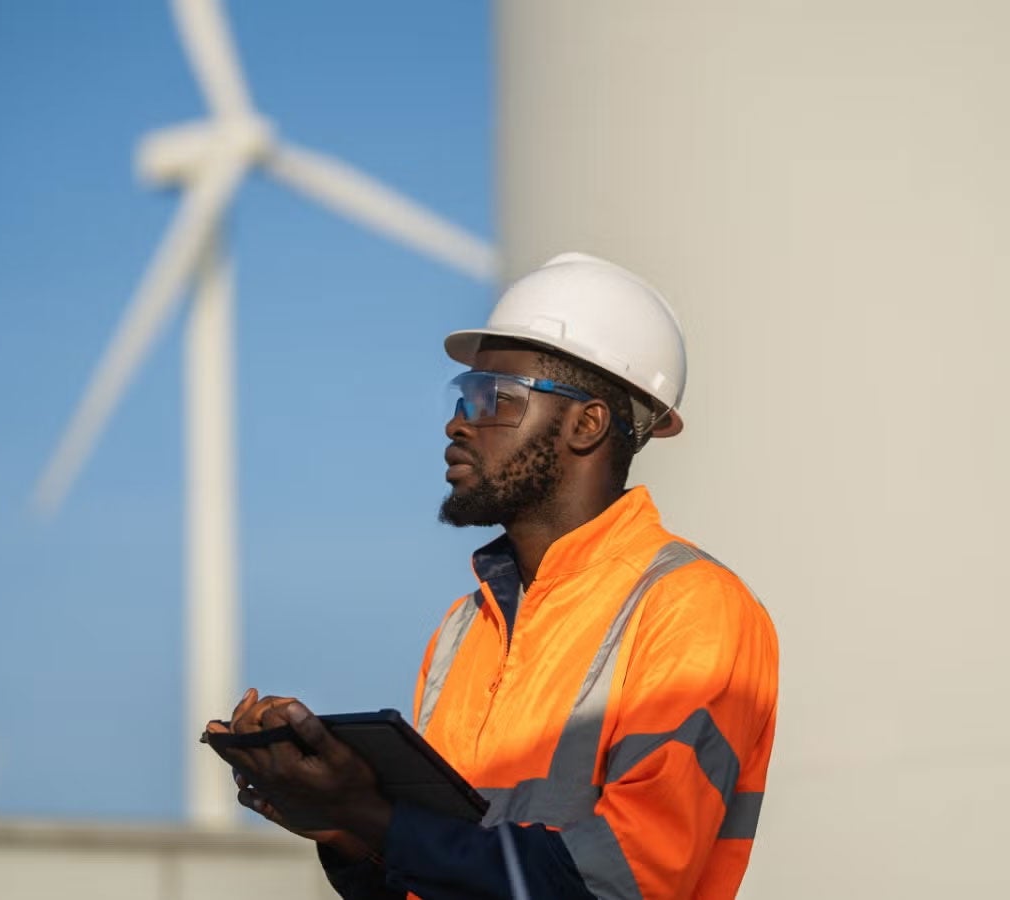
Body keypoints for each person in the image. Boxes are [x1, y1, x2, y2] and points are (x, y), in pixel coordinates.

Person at [205, 252, 779, 899]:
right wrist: (341, 829)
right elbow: (438, 875)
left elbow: (622, 880)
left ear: (586, 424)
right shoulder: (463, 629)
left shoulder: (692, 609)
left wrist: (372, 817)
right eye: (462, 397)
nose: (457, 423)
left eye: (491, 399)